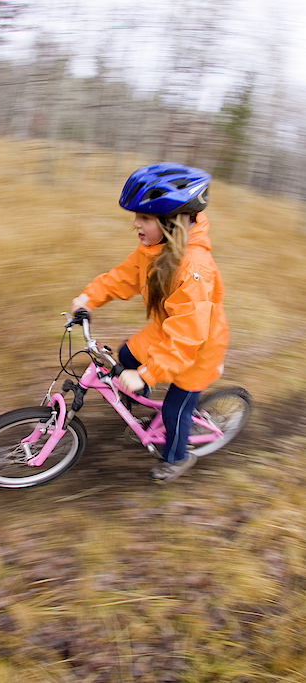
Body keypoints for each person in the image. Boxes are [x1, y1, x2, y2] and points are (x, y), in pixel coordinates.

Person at [71, 163, 229, 483]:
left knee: (174, 412)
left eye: (144, 217)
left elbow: (187, 336)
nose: (135, 224)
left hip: (196, 349)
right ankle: (132, 404)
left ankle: (176, 458)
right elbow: (124, 277)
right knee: (125, 355)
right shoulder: (153, 250)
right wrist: (89, 298)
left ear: (172, 222)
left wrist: (148, 374)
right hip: (165, 332)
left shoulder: (195, 270)